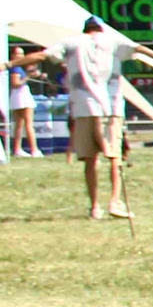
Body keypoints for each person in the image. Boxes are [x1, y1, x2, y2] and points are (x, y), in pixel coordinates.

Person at [52, 18, 130, 218]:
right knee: (114, 157)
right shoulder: (110, 44)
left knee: (90, 159)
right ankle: (114, 201)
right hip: (110, 109)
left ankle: (95, 206)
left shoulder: (77, 45)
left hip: (84, 109)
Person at [5, 46, 36, 161]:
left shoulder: (17, 67)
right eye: (18, 54)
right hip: (21, 95)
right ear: (13, 56)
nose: (21, 57)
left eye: (22, 54)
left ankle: (17, 149)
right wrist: (27, 77)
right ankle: (34, 149)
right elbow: (16, 83)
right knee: (28, 123)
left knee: (19, 124)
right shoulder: (16, 68)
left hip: (18, 95)